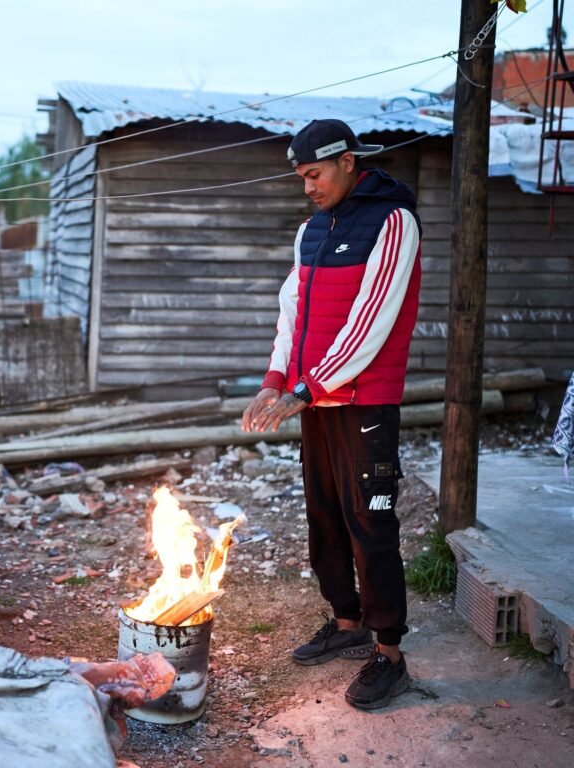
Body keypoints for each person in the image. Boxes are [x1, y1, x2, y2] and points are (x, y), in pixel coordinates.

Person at [241, 119, 422, 710]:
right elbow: (291, 314)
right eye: (301, 177)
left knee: (371, 524)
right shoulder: (311, 230)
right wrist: (276, 381)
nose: (308, 187)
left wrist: (307, 387)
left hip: (363, 402)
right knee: (324, 515)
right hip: (313, 399)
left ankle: (389, 653)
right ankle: (347, 623)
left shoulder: (394, 222)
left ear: (348, 161)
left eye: (315, 174)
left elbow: (371, 322)